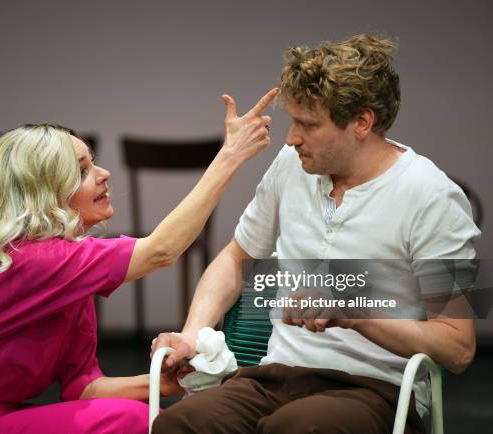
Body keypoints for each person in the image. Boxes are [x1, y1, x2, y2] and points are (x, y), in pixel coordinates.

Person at [0, 88, 277, 434]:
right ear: (47, 191)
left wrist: (166, 381)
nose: (104, 174)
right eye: (83, 170)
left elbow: (82, 387)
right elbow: (161, 250)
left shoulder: (65, 274)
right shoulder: (33, 259)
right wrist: (231, 156)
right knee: (130, 422)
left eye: (94, 163)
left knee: (126, 413)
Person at [152, 34, 481, 434]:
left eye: (308, 124)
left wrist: (355, 314)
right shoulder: (292, 166)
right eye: (292, 120)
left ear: (362, 122)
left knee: (297, 428)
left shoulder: (432, 196)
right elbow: (237, 258)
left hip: (375, 389)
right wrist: (193, 334)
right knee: (181, 423)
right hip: (276, 378)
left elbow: (458, 347)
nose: (290, 138)